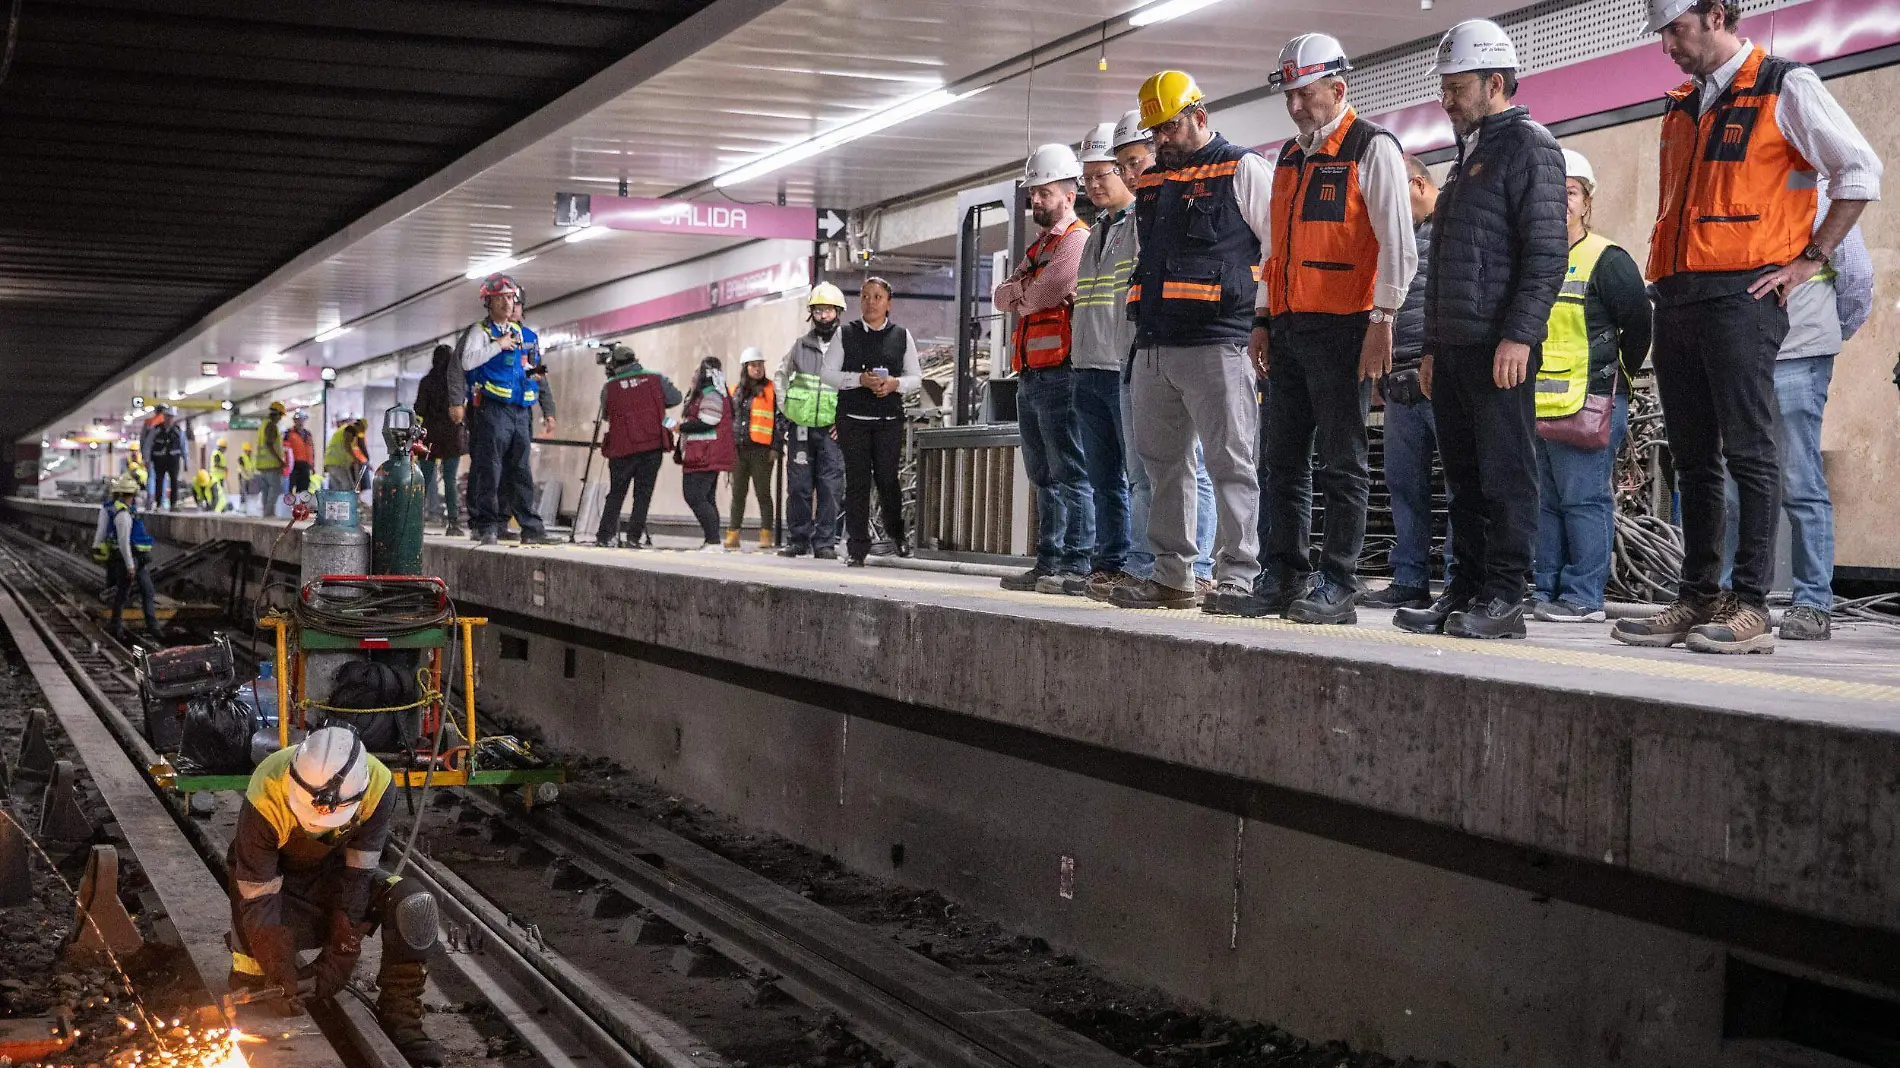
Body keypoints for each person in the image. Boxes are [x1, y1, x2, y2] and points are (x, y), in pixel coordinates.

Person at [1614, 0, 1882, 654]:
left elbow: (1859, 169)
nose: (1667, 46)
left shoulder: (1784, 85)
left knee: (1751, 453)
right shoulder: (1682, 104)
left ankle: (1752, 606)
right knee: (1695, 457)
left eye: (1675, 30)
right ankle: (1698, 595)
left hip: (1742, 294)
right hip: (1677, 295)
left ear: (1715, 15)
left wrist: (1808, 260)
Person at [1395, 20, 1567, 640]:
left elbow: (1546, 254)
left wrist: (1519, 335)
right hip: (1457, 348)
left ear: (1495, 82)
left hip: (1501, 348)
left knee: (1506, 474)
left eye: (1456, 86)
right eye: (1443, 86)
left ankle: (1506, 596)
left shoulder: (1531, 147)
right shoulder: (1470, 154)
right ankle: (1463, 590)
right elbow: (1444, 264)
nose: (1445, 99)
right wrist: (1433, 347)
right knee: (1463, 478)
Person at [1254, 34, 1418, 625]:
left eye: (1305, 94)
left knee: (1343, 459)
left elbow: (1399, 244)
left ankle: (1339, 581)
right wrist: (1263, 317)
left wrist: (1383, 319)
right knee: (1282, 458)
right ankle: (1283, 572)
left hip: (1347, 326)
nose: (1296, 107)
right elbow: (1274, 250)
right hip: (1292, 325)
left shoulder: (1371, 148)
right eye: (1290, 96)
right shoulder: (1288, 160)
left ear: (1338, 89)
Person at [1111, 71, 1269, 612]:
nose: (1160, 140)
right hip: (1155, 346)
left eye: (1169, 127)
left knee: (1231, 464)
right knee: (1163, 466)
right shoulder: (1152, 184)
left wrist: (1263, 324)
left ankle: (1237, 575)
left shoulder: (1243, 168)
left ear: (1199, 115)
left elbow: (1275, 250)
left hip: (1219, 342)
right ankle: (1172, 575)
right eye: (1154, 131)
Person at [225, 727, 444, 1066]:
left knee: (413, 904)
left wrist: (337, 963)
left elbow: (358, 879)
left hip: (337, 878)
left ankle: (402, 1021)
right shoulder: (267, 788)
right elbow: (259, 895)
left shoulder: (378, 785)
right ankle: (257, 974)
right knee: (256, 986)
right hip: (279, 885)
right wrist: (278, 966)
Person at [1719, 187, 1874, 641]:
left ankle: (1811, 603)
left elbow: (1857, 280)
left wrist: (1825, 333)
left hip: (1799, 352)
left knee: (1800, 478)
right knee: (1734, 484)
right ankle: (1736, 597)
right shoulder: (1740, 180)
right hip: (1744, 356)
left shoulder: (1821, 192)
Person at [1091, 111, 1220, 602]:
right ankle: (1150, 564)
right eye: (1121, 164)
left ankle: (1200, 567)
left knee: (1195, 468)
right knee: (1148, 472)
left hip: (1182, 351)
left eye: (1134, 161)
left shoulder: (1184, 202)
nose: (1128, 173)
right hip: (1135, 358)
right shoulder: (1136, 216)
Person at [1530, 150, 1653, 624]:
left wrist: (1617, 377)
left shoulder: (1607, 259)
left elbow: (1639, 323)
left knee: (1584, 499)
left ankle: (1583, 596)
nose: (1561, 201)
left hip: (1592, 401)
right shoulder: (1535, 261)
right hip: (1540, 402)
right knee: (1549, 504)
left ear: (1586, 202)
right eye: (1552, 194)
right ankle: (1549, 589)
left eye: (1571, 192)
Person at [996, 144, 1094, 594]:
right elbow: (1000, 296)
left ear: (1069, 193)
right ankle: (1048, 562)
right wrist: (1021, 291)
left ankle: (1077, 563)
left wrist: (1022, 292)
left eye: (1045, 193)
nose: (1036, 201)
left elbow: (1039, 296)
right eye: (1033, 193)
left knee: (1070, 471)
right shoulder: (1041, 247)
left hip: (1061, 373)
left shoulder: (1076, 240)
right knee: (1043, 475)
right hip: (1032, 375)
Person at [1364, 156, 1447, 611]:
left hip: (1443, 378)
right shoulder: (1391, 241)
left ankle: (1459, 577)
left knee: (1460, 488)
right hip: (1400, 384)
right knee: (1404, 486)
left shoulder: (1451, 227)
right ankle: (1409, 577)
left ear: (1417, 184)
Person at [1068, 123, 1137, 597]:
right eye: (1087, 178)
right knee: (1103, 478)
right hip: (1087, 367)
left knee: (1138, 475)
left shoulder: (1138, 224)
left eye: (1101, 176)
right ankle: (1109, 560)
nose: (1093, 186)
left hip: (1120, 368)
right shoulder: (1098, 232)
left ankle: (1137, 560)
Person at [447, 273, 558, 547]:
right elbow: (467, 363)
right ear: (490, 302)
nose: (508, 303)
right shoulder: (480, 333)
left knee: (520, 469)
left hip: (521, 412)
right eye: (501, 298)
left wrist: (546, 406)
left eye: (511, 298)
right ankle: (487, 525)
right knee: (490, 468)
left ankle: (530, 526)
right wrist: (498, 346)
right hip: (492, 409)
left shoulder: (526, 335)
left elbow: (535, 369)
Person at [822, 277, 923, 566]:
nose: (870, 302)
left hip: (888, 419)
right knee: (857, 482)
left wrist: (894, 384)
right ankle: (857, 546)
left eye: (877, 297)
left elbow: (916, 378)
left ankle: (897, 536)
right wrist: (858, 380)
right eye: (865, 296)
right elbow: (827, 373)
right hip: (852, 419)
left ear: (888, 303)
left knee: (887, 479)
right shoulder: (846, 334)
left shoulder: (902, 336)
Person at [776, 285, 847, 559]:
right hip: (801, 428)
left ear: (837, 313)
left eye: (828, 310)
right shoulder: (800, 347)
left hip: (832, 431)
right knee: (799, 486)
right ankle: (798, 540)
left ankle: (825, 543)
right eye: (818, 310)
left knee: (830, 488)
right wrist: (787, 411)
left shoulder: (848, 348)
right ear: (811, 314)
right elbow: (780, 377)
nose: (823, 315)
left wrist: (844, 421)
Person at [595, 343, 681, 548]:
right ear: (635, 360)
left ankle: (605, 536)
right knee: (643, 494)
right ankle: (633, 538)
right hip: (652, 446)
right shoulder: (655, 378)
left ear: (614, 364)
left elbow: (606, 414)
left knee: (617, 493)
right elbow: (675, 398)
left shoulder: (610, 386)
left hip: (622, 448)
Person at [92, 473, 163, 642]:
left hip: (133, 559)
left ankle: (152, 628)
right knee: (124, 594)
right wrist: (130, 565)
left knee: (146, 591)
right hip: (130, 559)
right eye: (133, 495)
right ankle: (116, 627)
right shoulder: (123, 515)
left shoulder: (113, 509)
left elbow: (101, 532)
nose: (135, 499)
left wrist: (96, 547)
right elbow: (124, 543)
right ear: (128, 495)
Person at [678, 356, 736, 551]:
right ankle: (711, 540)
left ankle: (713, 541)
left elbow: (708, 420)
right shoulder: (707, 394)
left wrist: (682, 427)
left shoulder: (711, 394)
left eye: (697, 371)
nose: (693, 375)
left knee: (694, 495)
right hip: (703, 454)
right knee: (706, 498)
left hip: (706, 454)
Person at [727, 348, 780, 551]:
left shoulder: (772, 389)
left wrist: (775, 446)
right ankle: (733, 534)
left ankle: (766, 534)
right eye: (753, 365)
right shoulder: (734, 392)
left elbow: (778, 420)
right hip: (739, 449)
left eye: (760, 365)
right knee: (738, 493)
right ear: (745, 368)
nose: (758, 369)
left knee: (763, 494)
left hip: (762, 451)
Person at [413, 344, 467, 537]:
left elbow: (419, 408)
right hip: (452, 437)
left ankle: (416, 521)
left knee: (423, 480)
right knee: (450, 480)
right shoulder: (456, 382)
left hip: (429, 437)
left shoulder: (426, 382)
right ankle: (453, 523)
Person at [147, 408, 186, 511]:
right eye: (167, 417)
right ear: (164, 417)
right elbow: (148, 445)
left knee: (174, 481)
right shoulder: (156, 430)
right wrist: (147, 459)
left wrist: (186, 461)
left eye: (171, 417)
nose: (169, 419)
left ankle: (174, 504)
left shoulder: (178, 431)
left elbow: (183, 446)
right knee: (159, 481)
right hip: (159, 460)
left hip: (173, 460)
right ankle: (159, 503)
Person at [257, 401, 288, 517]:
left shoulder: (263, 425)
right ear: (277, 414)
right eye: (280, 416)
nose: (280, 419)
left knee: (266, 491)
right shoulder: (271, 426)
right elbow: (269, 444)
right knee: (274, 489)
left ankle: (266, 514)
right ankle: (269, 513)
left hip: (263, 466)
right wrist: (281, 461)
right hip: (271, 465)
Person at [325, 419, 368, 492]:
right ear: (360, 426)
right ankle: (347, 502)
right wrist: (355, 459)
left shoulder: (344, 429)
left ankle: (339, 502)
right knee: (347, 487)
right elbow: (347, 444)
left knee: (337, 489)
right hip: (337, 463)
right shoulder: (350, 429)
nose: (358, 434)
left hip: (331, 462)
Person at [284, 410, 316, 496]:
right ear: (294, 420)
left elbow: (311, 450)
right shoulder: (288, 433)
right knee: (290, 489)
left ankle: (301, 507)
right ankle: (290, 506)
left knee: (304, 489)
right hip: (293, 465)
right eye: (298, 419)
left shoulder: (308, 434)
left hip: (305, 466)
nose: (300, 421)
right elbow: (284, 450)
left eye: (302, 419)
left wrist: (312, 465)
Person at [209, 438, 232, 513]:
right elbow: (216, 465)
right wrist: (224, 468)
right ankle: (217, 509)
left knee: (219, 494)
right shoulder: (217, 454)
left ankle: (220, 508)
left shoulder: (220, 454)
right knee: (218, 494)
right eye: (224, 448)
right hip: (216, 478)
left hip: (219, 477)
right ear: (222, 447)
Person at [236, 441, 256, 514]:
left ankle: (248, 507)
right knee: (243, 492)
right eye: (248, 451)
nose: (249, 452)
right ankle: (243, 507)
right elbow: (242, 468)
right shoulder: (241, 457)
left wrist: (252, 476)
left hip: (249, 478)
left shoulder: (251, 458)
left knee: (249, 493)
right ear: (245, 450)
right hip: (243, 477)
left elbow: (252, 468)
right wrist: (248, 475)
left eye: (250, 451)